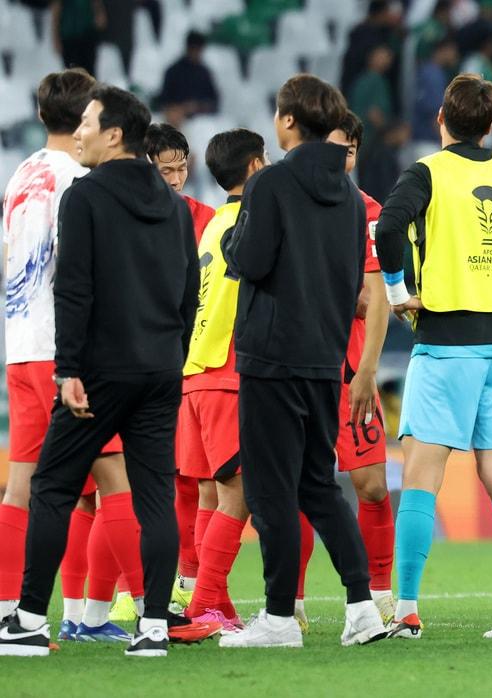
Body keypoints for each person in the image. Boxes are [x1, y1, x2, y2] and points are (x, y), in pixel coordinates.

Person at [0, 83, 210, 658]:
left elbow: (74, 289)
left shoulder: (86, 197)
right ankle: (153, 630)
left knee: (50, 486)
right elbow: (188, 290)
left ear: (115, 134)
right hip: (161, 370)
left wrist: (69, 368)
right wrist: (172, 354)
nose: (82, 132)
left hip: (98, 373)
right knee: (153, 498)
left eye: (90, 123)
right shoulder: (172, 205)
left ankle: (27, 621)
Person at [375, 73, 492, 641]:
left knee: (420, 480)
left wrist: (393, 291)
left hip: (447, 343)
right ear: (491, 126)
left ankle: (406, 610)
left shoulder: (427, 173)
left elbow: (387, 228)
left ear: (441, 119)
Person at [217, 74, 385, 649]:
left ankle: (280, 618)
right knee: (319, 485)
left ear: (289, 121)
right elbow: (351, 280)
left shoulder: (270, 185)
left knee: (270, 491)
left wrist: (233, 241)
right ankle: (364, 607)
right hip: (324, 358)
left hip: (270, 355)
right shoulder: (348, 192)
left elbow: (252, 260)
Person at [0, 68, 149, 645]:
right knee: (116, 478)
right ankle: (151, 611)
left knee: (22, 485)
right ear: (88, 116)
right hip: (66, 353)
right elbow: (79, 269)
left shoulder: (21, 174)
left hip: (20, 347)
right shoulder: (76, 180)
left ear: (41, 116)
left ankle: (10, 610)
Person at [177, 127, 268, 633]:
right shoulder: (256, 220)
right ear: (255, 165)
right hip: (229, 372)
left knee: (212, 496)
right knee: (240, 493)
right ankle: (205, 603)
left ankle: (218, 605)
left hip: (195, 371)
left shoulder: (213, 224)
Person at [325, 113, 396, 623]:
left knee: (370, 483)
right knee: (288, 491)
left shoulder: (369, 212)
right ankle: (293, 605)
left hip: (351, 370)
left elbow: (375, 298)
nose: (342, 158)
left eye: (350, 150)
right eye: (334, 148)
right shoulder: (288, 202)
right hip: (296, 367)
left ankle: (380, 591)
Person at [143, 121, 215, 619]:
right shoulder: (136, 216)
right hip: (146, 361)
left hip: (194, 365)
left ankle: (189, 580)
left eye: (181, 167)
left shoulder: (207, 219)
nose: (174, 178)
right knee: (144, 481)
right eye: (165, 169)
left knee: (191, 477)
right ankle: (131, 589)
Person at [145, 123, 215, 237]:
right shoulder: (127, 218)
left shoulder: (206, 217)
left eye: (182, 169)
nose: (176, 181)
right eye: (166, 172)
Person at [156, 31, 219, 126]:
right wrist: (182, 107)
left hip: (201, 119)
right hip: (177, 116)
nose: (197, 53)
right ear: (188, 49)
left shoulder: (204, 73)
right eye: (195, 49)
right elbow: (164, 100)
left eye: (199, 50)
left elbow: (214, 102)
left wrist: (198, 106)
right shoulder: (173, 71)